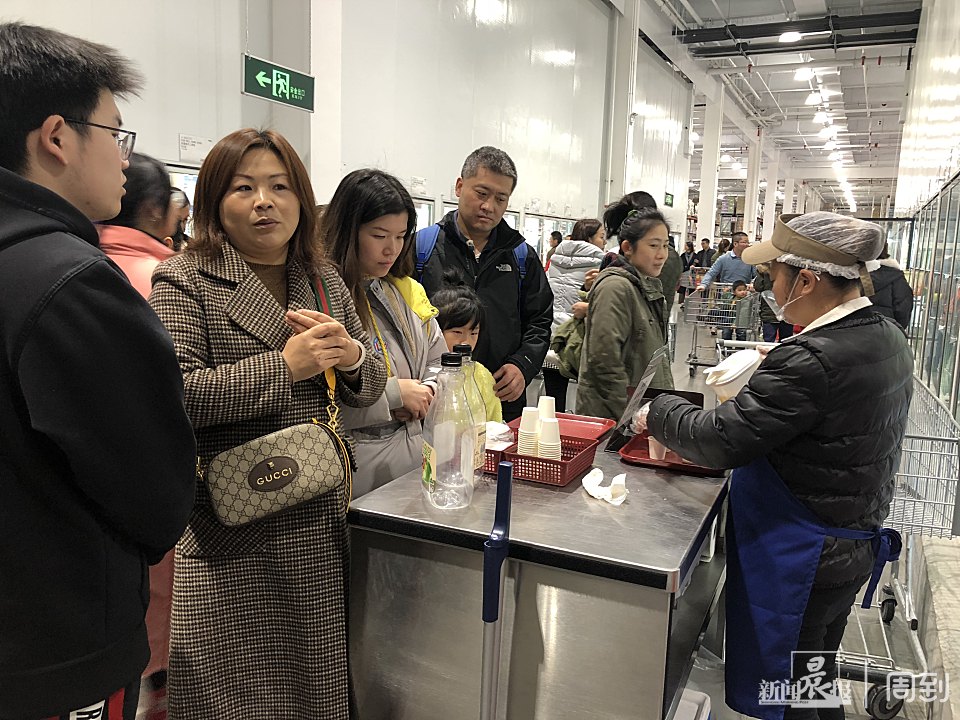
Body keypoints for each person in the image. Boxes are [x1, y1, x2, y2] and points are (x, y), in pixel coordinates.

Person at [148, 129, 386, 719]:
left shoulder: (323, 278)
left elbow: (375, 378)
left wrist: (352, 358)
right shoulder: (182, 280)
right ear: (213, 201)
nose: (264, 201)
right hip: (228, 529)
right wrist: (285, 366)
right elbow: (174, 396)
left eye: (280, 187)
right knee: (226, 697)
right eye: (244, 187)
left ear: (301, 200)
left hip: (317, 526)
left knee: (313, 691)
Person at [638, 211, 913, 720]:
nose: (768, 284)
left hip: (803, 557)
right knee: (815, 675)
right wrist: (782, 362)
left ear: (806, 279)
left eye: (774, 276)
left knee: (789, 697)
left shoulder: (812, 358)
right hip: (851, 540)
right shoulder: (885, 335)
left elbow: (721, 439)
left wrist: (659, 410)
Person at [0, 22, 196, 720]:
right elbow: (154, 493)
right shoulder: (73, 282)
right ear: (56, 136)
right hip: (58, 650)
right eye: (116, 132)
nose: (122, 156)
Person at [322, 168, 446, 497]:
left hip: (412, 459)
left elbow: (440, 358)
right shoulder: (322, 296)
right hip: (353, 472)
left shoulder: (402, 291)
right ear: (349, 231)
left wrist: (427, 392)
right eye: (379, 236)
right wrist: (393, 397)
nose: (392, 248)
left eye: (401, 235)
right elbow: (312, 397)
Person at [416, 146, 553, 421]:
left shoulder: (521, 256)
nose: (489, 206)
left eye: (501, 198)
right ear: (459, 186)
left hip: (501, 397)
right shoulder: (422, 249)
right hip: (434, 399)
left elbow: (539, 320)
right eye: (482, 193)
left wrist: (522, 365)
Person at [576, 209, 674, 421]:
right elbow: (604, 362)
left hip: (641, 412)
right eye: (653, 245)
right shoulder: (616, 288)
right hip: (614, 420)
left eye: (666, 245)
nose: (662, 254)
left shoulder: (644, 286)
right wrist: (631, 417)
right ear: (628, 247)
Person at [544, 218, 606, 411]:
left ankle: (553, 431)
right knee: (588, 392)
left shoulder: (554, 257)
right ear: (590, 238)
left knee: (553, 396)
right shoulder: (600, 261)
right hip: (579, 334)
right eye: (601, 237)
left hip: (554, 331)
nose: (604, 242)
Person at [98, 153, 180, 297]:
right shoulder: (164, 279)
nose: (175, 206)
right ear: (153, 208)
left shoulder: (87, 257)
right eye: (170, 194)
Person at [433, 272, 503, 422]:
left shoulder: (482, 376)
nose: (466, 342)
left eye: (474, 333)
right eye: (457, 332)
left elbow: (492, 423)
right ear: (436, 329)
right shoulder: (425, 372)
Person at [867, 244, 913, 330]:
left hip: (849, 335)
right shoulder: (896, 277)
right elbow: (903, 309)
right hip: (886, 333)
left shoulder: (849, 276)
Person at [754, 264, 794, 342]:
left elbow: (758, 287)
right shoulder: (788, 269)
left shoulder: (764, 271)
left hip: (769, 310)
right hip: (787, 309)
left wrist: (760, 273)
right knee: (786, 340)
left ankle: (770, 354)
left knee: (769, 341)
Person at [679, 239, 697, 305]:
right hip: (684, 274)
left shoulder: (695, 255)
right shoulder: (683, 255)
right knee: (682, 288)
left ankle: (690, 302)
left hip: (691, 275)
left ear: (689, 246)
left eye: (686, 245)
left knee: (691, 288)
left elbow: (697, 263)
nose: (684, 247)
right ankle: (682, 302)